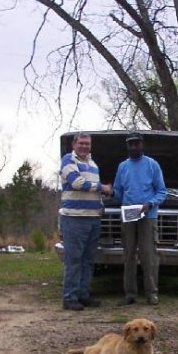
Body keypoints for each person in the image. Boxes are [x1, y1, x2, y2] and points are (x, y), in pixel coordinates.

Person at [113, 131, 167, 305]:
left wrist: (150, 203)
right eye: (131, 144)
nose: (134, 146)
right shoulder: (122, 167)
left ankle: (151, 293)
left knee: (148, 254)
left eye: (137, 143)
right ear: (127, 146)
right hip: (129, 215)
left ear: (142, 145)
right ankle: (130, 293)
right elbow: (118, 192)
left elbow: (162, 191)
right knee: (128, 254)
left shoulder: (152, 165)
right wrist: (109, 192)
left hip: (148, 214)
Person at [59, 132, 112, 311]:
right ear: (74, 145)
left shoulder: (93, 164)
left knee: (88, 260)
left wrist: (101, 204)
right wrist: (103, 187)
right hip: (74, 218)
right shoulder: (68, 160)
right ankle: (70, 297)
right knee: (74, 260)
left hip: (93, 218)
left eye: (87, 144)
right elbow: (77, 183)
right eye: (81, 143)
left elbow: (93, 192)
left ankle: (83, 294)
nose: (84, 146)